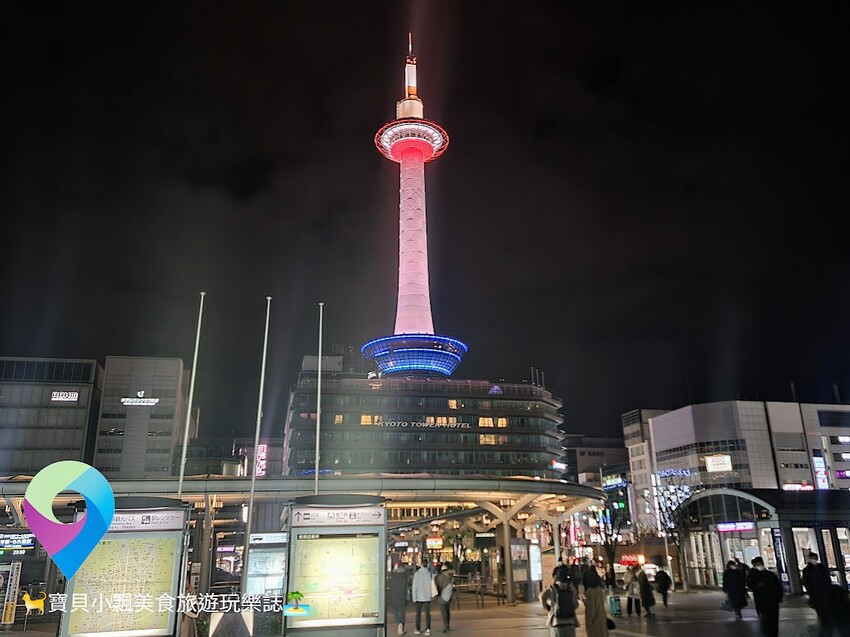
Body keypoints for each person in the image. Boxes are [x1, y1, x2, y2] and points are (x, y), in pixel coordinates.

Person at [746, 556, 782, 637]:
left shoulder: (770, 575)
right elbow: (750, 585)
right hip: (763, 603)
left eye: (760, 564)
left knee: (773, 621)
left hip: (772, 602)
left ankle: (773, 634)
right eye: (757, 564)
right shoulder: (753, 575)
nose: (759, 566)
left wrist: (778, 597)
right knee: (766, 622)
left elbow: (778, 587)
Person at [539, 568, 580, 637]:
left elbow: (541, 597)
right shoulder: (572, 588)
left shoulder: (552, 588)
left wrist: (548, 607)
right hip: (570, 622)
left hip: (557, 622)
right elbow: (575, 605)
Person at [802, 552, 834, 636]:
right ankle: (825, 629)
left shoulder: (820, 568)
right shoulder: (809, 570)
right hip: (817, 595)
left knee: (825, 613)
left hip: (822, 594)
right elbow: (806, 583)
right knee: (823, 613)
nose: (814, 560)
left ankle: (826, 629)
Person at [582, 567, 610, 637]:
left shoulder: (590, 592)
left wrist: (588, 622)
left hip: (595, 623)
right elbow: (596, 604)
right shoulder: (599, 590)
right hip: (601, 619)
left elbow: (591, 609)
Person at [411, 562, 433, 636]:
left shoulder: (417, 574)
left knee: (418, 614)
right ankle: (428, 629)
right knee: (427, 614)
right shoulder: (429, 574)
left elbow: (414, 587)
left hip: (418, 597)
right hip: (427, 597)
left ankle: (417, 629)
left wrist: (414, 598)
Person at [388, 563, 409, 635]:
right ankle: (402, 625)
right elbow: (406, 586)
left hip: (394, 596)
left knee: (395, 612)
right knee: (402, 612)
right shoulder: (404, 575)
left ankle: (398, 623)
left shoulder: (393, 576)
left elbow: (390, 586)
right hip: (402, 596)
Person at [434, 563, 453, 633]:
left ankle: (446, 626)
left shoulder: (441, 577)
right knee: (447, 611)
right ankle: (448, 625)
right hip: (449, 596)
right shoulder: (450, 576)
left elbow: (439, 585)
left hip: (442, 597)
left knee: (443, 612)